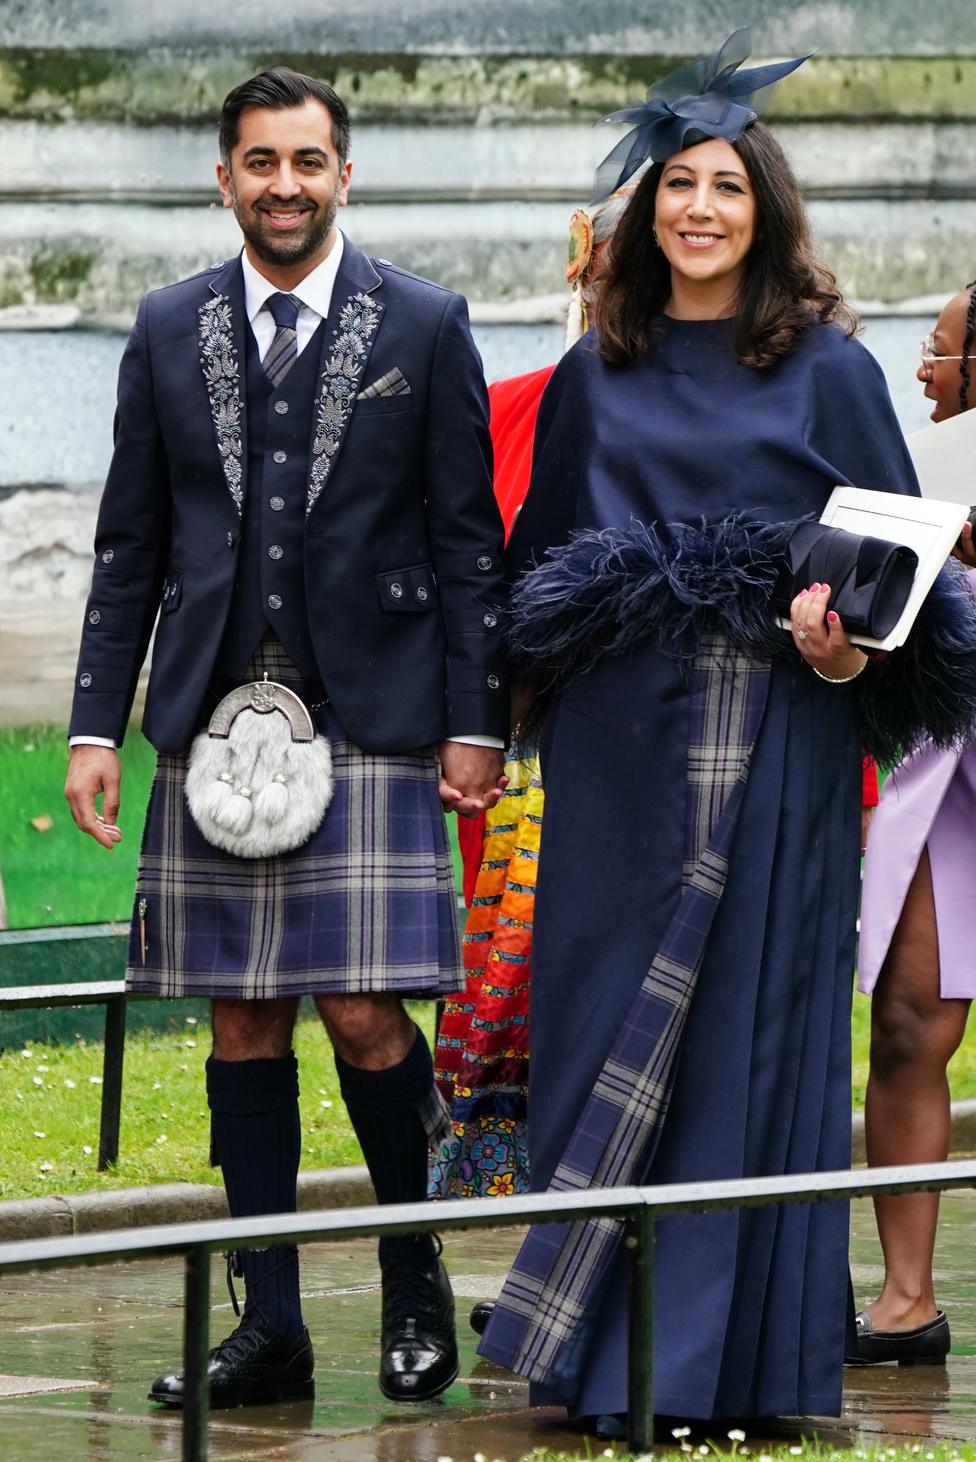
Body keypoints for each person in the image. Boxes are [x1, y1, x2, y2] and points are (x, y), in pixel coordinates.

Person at [476, 30, 975, 1435]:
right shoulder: (596, 372)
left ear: (767, 214)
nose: (699, 209)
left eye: (727, 188)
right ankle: (592, 1358)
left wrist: (842, 635)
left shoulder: (829, 371)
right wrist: (484, 724)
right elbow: (536, 574)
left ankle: (721, 1372)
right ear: (647, 214)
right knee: (600, 1034)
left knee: (751, 1043)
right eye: (677, 186)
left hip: (780, 743)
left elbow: (909, 576)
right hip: (618, 750)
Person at [63, 67, 508, 1409]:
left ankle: (414, 1274)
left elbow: (466, 542)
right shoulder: (164, 326)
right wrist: (96, 722)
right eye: (260, 163)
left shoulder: (425, 325)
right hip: (213, 721)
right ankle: (269, 1322)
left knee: (368, 1013)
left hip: (370, 719)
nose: (285, 184)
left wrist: (475, 719)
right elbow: (132, 539)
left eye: (308, 162)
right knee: (240, 1016)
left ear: (345, 175)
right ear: (225, 179)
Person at [432, 167, 654, 1224]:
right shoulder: (515, 406)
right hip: (533, 763)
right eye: (608, 273)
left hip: (668, 753)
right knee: (541, 1010)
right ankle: (551, 1245)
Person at [851, 278, 976, 1366]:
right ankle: (903, 1302)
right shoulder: (919, 474)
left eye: (938, 354)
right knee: (908, 1020)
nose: (924, 374)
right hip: (949, 775)